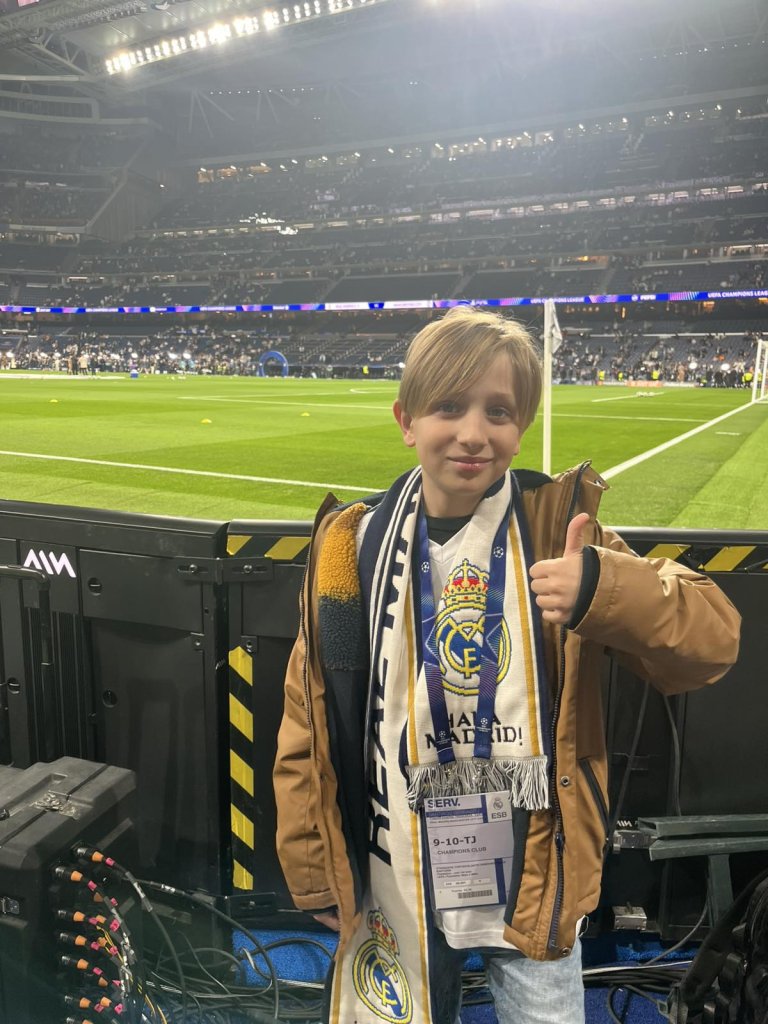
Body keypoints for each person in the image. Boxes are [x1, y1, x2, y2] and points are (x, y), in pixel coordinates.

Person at [273, 306, 741, 1024]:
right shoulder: (352, 546)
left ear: (520, 427)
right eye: (448, 407)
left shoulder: (557, 532)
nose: (473, 433)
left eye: (498, 412)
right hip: (393, 859)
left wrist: (604, 591)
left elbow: (713, 642)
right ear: (406, 421)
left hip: (533, 871)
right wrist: (316, 870)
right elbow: (307, 720)